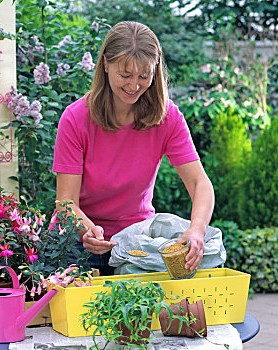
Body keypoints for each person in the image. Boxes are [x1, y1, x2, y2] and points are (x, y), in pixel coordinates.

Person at [53, 21, 214, 276]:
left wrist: (197, 230)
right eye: (125, 75)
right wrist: (87, 230)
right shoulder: (75, 119)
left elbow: (200, 185)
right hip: (78, 245)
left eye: (144, 76)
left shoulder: (167, 118)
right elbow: (65, 204)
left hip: (135, 244)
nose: (134, 85)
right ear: (105, 64)